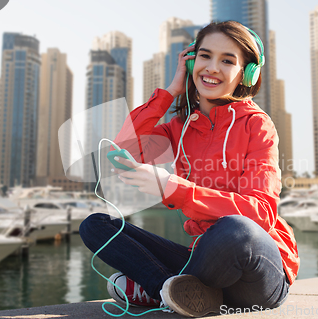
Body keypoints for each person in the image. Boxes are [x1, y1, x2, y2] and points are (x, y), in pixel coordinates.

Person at [79, 20, 300, 317]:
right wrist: (171, 91)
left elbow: (260, 213)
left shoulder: (256, 125)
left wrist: (174, 188)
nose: (212, 68)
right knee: (96, 226)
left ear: (247, 73)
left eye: (227, 60)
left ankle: (156, 288)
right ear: (192, 61)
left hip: (256, 270)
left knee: (237, 229)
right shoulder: (179, 129)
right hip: (202, 262)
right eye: (205, 56)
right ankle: (170, 289)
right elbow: (126, 150)